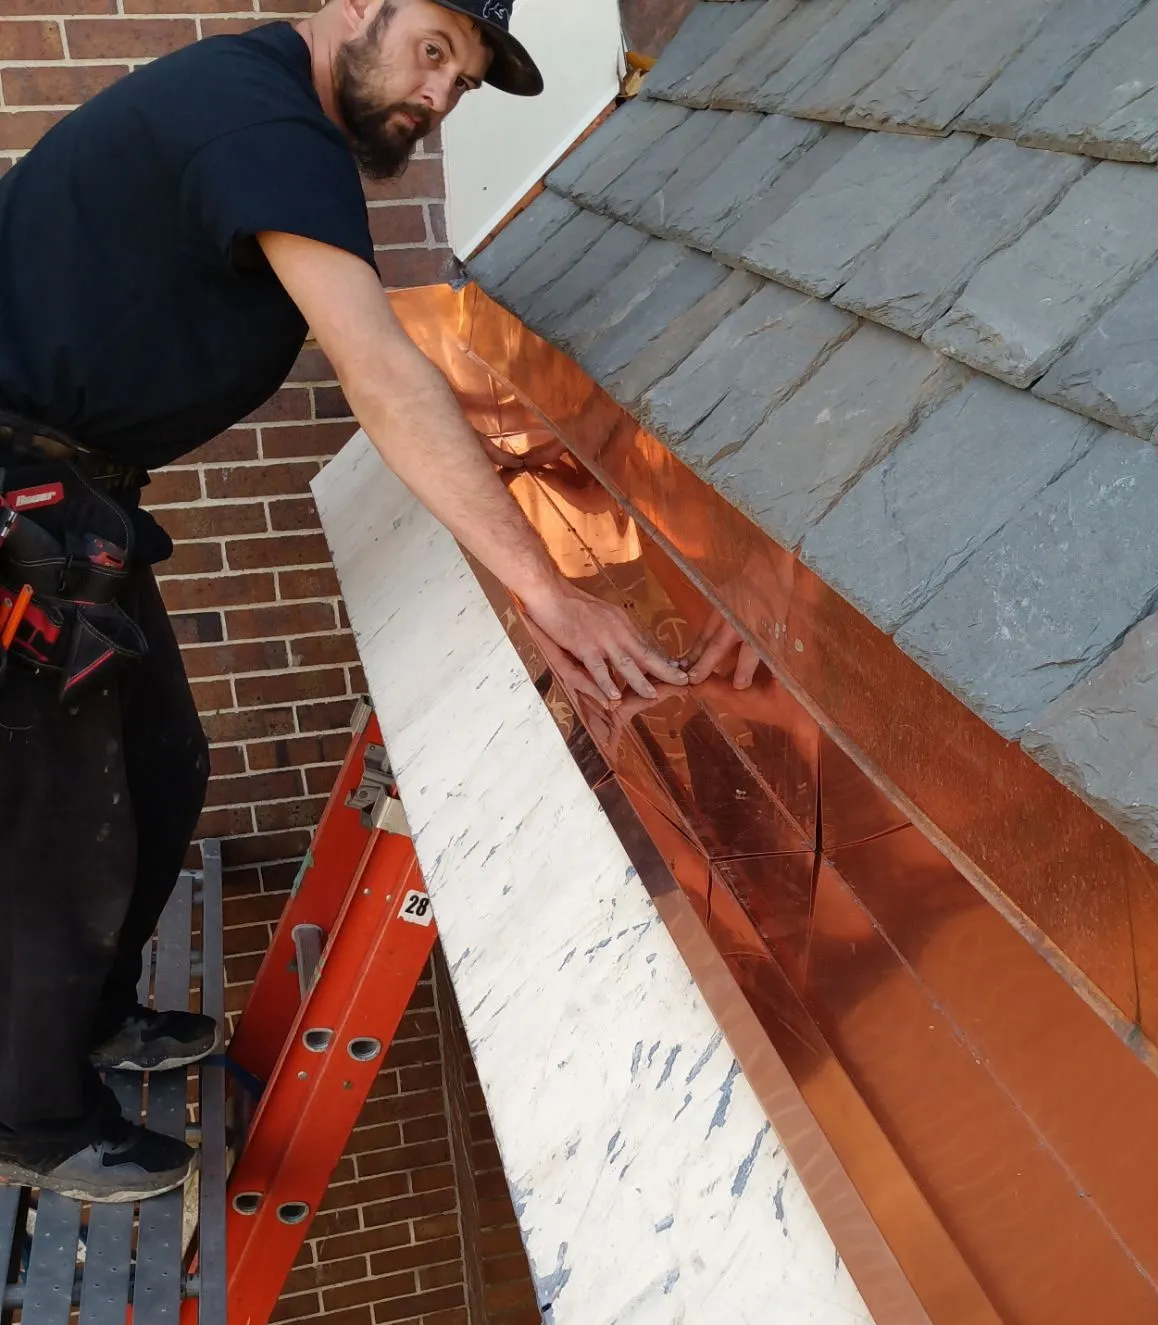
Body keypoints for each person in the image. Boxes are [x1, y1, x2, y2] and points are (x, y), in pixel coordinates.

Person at [0, 0, 693, 1202]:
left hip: (72, 507)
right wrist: (545, 589)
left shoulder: (265, 111)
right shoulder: (262, 121)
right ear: (355, 7)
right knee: (57, 823)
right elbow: (376, 367)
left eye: (462, 83)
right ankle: (33, 1113)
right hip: (19, 505)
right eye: (433, 51)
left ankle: (98, 1016)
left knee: (162, 768)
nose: (436, 98)